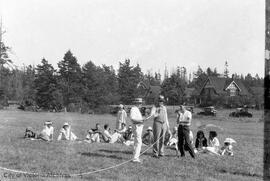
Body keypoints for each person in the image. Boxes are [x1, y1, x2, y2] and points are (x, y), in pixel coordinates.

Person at [130, 98, 148, 163]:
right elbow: (132, 118)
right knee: (138, 142)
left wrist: (142, 119)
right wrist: (141, 120)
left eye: (141, 103)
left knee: (136, 142)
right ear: (136, 103)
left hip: (138, 127)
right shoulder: (133, 109)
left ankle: (135, 157)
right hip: (136, 127)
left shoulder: (136, 109)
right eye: (140, 103)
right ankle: (135, 158)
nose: (141, 104)